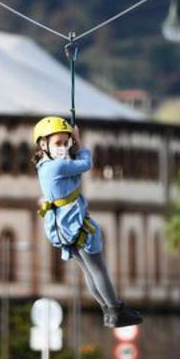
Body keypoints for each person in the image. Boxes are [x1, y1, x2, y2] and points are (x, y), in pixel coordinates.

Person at [33, 117, 141, 327]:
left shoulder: (45, 166)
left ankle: (107, 311)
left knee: (90, 271)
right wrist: (79, 143)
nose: (63, 148)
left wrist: (71, 147)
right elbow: (86, 164)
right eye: (58, 143)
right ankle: (116, 309)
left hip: (65, 228)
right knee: (99, 269)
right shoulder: (56, 167)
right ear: (43, 144)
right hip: (76, 224)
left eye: (66, 143)